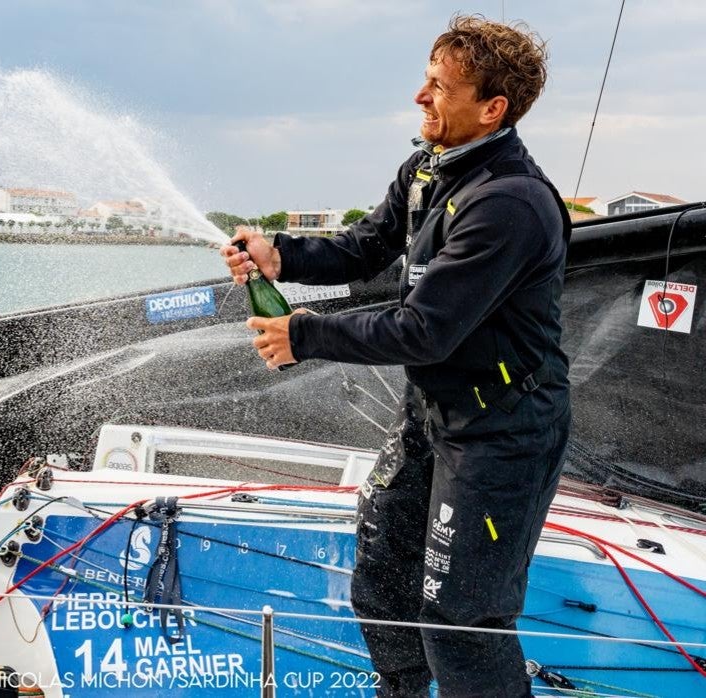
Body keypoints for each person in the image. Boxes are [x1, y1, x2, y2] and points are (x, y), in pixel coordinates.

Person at [223, 15, 571, 697]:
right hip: (433, 414)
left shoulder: (512, 204)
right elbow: (363, 248)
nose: (420, 96)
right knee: (382, 581)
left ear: (491, 108)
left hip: (503, 432)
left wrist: (305, 335)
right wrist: (280, 254)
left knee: (462, 622)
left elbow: (423, 330)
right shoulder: (426, 169)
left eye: (439, 87)